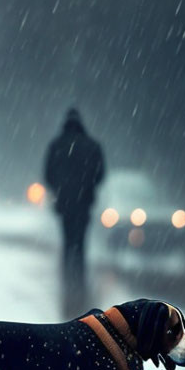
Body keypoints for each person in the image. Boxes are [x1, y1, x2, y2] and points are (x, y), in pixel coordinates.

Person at [43, 107, 105, 314]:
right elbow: (101, 174)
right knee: (80, 245)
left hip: (65, 205)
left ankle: (68, 288)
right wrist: (87, 187)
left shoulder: (56, 145)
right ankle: (80, 288)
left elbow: (48, 174)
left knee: (68, 244)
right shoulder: (92, 146)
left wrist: (61, 190)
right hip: (84, 203)